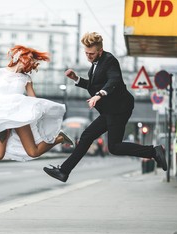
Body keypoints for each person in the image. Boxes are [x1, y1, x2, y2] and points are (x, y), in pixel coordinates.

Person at [43, 32, 167, 182]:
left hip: (119, 109)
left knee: (114, 147)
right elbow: (92, 84)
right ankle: (64, 171)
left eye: (91, 54)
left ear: (100, 51)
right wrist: (76, 78)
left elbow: (113, 81)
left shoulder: (110, 61)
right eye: (86, 53)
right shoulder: (95, 65)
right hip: (110, 110)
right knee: (87, 136)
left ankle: (153, 151)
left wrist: (99, 95)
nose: (88, 56)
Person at [0, 45, 74, 162]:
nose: (32, 61)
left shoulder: (26, 78)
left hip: (19, 115)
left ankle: (60, 138)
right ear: (20, 57)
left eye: (33, 59)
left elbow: (33, 98)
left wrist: (39, 111)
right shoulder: (1, 72)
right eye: (30, 57)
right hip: (2, 115)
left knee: (33, 152)